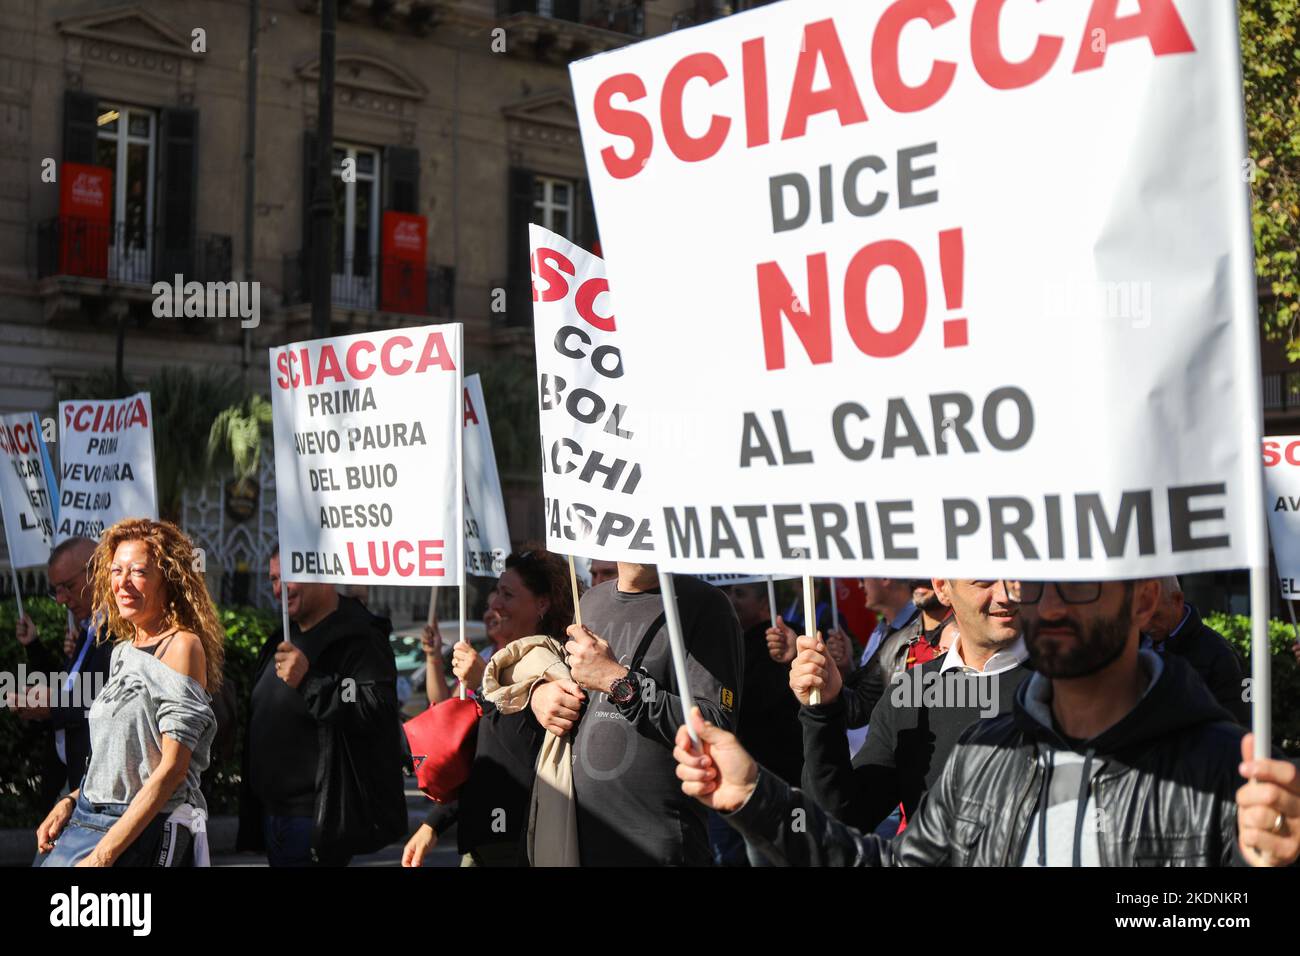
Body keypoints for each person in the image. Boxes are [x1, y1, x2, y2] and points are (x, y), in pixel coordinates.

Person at [674, 578, 1300, 867]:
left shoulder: (1226, 772)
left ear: (1143, 600)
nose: (1042, 605)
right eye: (1036, 583)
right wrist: (754, 796)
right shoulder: (982, 756)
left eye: (1077, 586)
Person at [35, 519, 222, 867]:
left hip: (143, 831)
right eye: (116, 571)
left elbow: (172, 771)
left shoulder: (182, 647)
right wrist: (70, 801)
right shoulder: (123, 650)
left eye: (138, 571)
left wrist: (103, 856)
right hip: (88, 818)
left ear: (169, 578)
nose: (122, 582)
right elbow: (116, 760)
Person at [529, 563, 742, 866]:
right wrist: (542, 696)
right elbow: (568, 691)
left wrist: (617, 681)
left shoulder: (706, 604)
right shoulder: (590, 600)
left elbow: (714, 727)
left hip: (658, 844)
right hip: (578, 836)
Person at [794, 579, 1030, 834]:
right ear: (942, 587)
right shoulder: (911, 691)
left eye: (1014, 577)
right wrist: (822, 711)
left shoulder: (1058, 684)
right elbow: (841, 816)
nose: (1006, 594)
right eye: (984, 581)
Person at [236, 549, 407, 866]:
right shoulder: (280, 638)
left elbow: (374, 708)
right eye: (274, 579)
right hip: (274, 815)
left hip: (318, 817)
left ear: (323, 575)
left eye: (290, 577)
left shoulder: (360, 637)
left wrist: (309, 681)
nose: (280, 589)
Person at [403, 548, 573, 867]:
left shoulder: (550, 663)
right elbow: (482, 757)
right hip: (483, 840)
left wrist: (485, 683)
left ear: (542, 604)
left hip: (516, 842)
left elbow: (521, 749)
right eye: (496, 591)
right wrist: (434, 822)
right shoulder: (500, 661)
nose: (495, 603)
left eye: (508, 594)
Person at [13, 536, 114, 792]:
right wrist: (34, 646)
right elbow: (69, 688)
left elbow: (107, 703)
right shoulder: (88, 628)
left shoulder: (119, 630)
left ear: (97, 570)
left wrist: (53, 704)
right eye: (56, 590)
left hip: (98, 786)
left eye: (68, 586)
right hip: (72, 781)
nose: (60, 599)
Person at [1144, 576, 1248, 724]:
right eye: (1141, 616)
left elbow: (1237, 721)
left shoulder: (1219, 653)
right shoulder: (1135, 643)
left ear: (1177, 600)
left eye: (1156, 616)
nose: (1146, 626)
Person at [421, 586, 501, 705]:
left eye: (497, 608)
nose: (488, 614)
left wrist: (482, 680)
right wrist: (433, 655)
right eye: (487, 607)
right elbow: (445, 702)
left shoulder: (524, 659)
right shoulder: (484, 655)